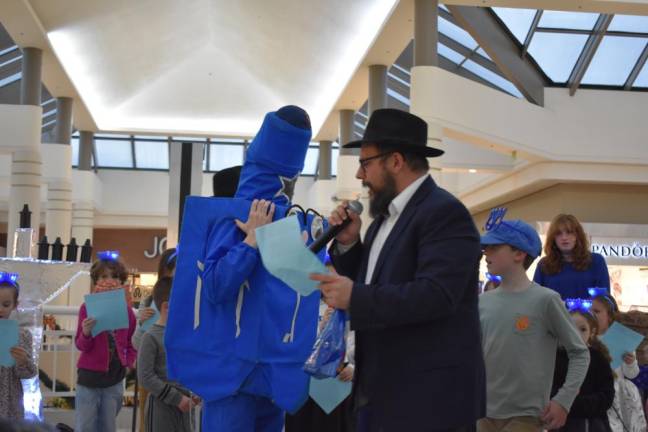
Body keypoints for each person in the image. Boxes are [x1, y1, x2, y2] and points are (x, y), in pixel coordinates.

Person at [310, 108, 485, 432]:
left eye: (365, 163)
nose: (361, 176)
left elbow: (436, 294)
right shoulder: (384, 222)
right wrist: (349, 246)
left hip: (427, 400)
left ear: (395, 161)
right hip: (383, 391)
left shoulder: (444, 213)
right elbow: (378, 281)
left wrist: (355, 297)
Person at [166, 105, 326, 432]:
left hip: (272, 374)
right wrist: (251, 242)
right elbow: (215, 287)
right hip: (232, 375)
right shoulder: (232, 221)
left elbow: (306, 290)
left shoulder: (295, 225)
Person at [478, 214, 589, 432]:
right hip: (483, 413)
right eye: (485, 248)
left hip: (527, 416)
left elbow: (579, 352)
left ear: (519, 254)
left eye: (493, 247)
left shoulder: (546, 300)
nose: (485, 253)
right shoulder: (482, 302)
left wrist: (563, 400)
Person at [74, 252, 137, 432]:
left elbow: (132, 342)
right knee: (85, 426)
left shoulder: (128, 312)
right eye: (104, 276)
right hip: (89, 378)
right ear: (95, 280)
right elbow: (81, 345)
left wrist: (128, 361)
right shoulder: (86, 308)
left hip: (114, 379)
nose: (109, 280)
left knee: (108, 426)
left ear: (121, 280)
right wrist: (86, 331)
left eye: (115, 276)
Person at [138, 277, 194, 432]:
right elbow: (145, 376)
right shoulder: (150, 337)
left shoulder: (183, 336)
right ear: (166, 307)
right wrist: (176, 398)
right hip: (161, 406)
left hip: (186, 405)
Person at [551, 299, 615, 432]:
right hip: (561, 422)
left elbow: (607, 394)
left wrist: (578, 404)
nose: (576, 334)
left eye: (582, 329)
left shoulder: (598, 359)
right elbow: (549, 388)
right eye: (571, 328)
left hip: (593, 424)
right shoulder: (556, 357)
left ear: (592, 332)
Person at [591, 294, 646, 432]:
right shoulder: (588, 339)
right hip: (597, 391)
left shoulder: (621, 338)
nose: (592, 314)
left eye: (596, 311)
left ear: (609, 316)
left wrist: (630, 362)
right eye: (590, 311)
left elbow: (632, 374)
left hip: (619, 393)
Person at [534, 214, 610, 300]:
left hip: (587, 314)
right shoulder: (544, 265)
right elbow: (536, 301)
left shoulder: (596, 262)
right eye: (559, 234)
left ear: (577, 236)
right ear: (553, 238)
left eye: (569, 232)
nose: (564, 238)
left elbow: (604, 302)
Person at [0, 273, 37, 421]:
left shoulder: (22, 335)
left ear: (15, 305)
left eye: (6, 304)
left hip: (11, 401)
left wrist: (23, 361)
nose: (0, 309)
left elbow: (28, 374)